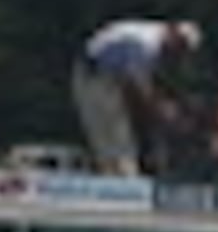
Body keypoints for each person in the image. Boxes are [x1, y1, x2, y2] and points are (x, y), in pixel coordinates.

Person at [72, 16, 199, 177]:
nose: (179, 53)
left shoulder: (158, 43)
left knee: (120, 135)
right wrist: (160, 110)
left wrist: (166, 105)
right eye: (181, 46)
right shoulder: (145, 44)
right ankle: (118, 178)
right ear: (172, 34)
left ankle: (120, 174)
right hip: (93, 76)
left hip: (111, 78)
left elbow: (150, 83)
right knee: (109, 135)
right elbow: (137, 85)